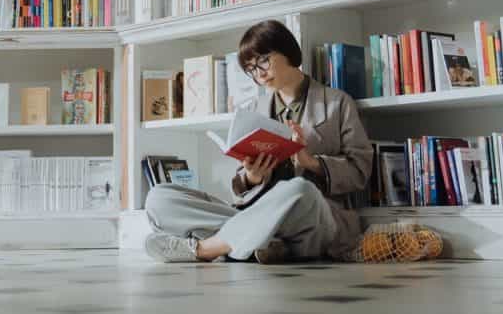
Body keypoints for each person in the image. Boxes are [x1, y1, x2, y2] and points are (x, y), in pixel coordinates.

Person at [143, 20, 373, 264]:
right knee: (159, 197)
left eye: (263, 60)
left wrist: (311, 162)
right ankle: (265, 243)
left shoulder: (338, 103)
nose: (259, 73)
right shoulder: (253, 110)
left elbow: (360, 171)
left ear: (288, 51)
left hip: (316, 217)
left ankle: (204, 248)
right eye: (251, 68)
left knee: (299, 190)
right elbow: (242, 183)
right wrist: (251, 177)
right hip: (257, 211)